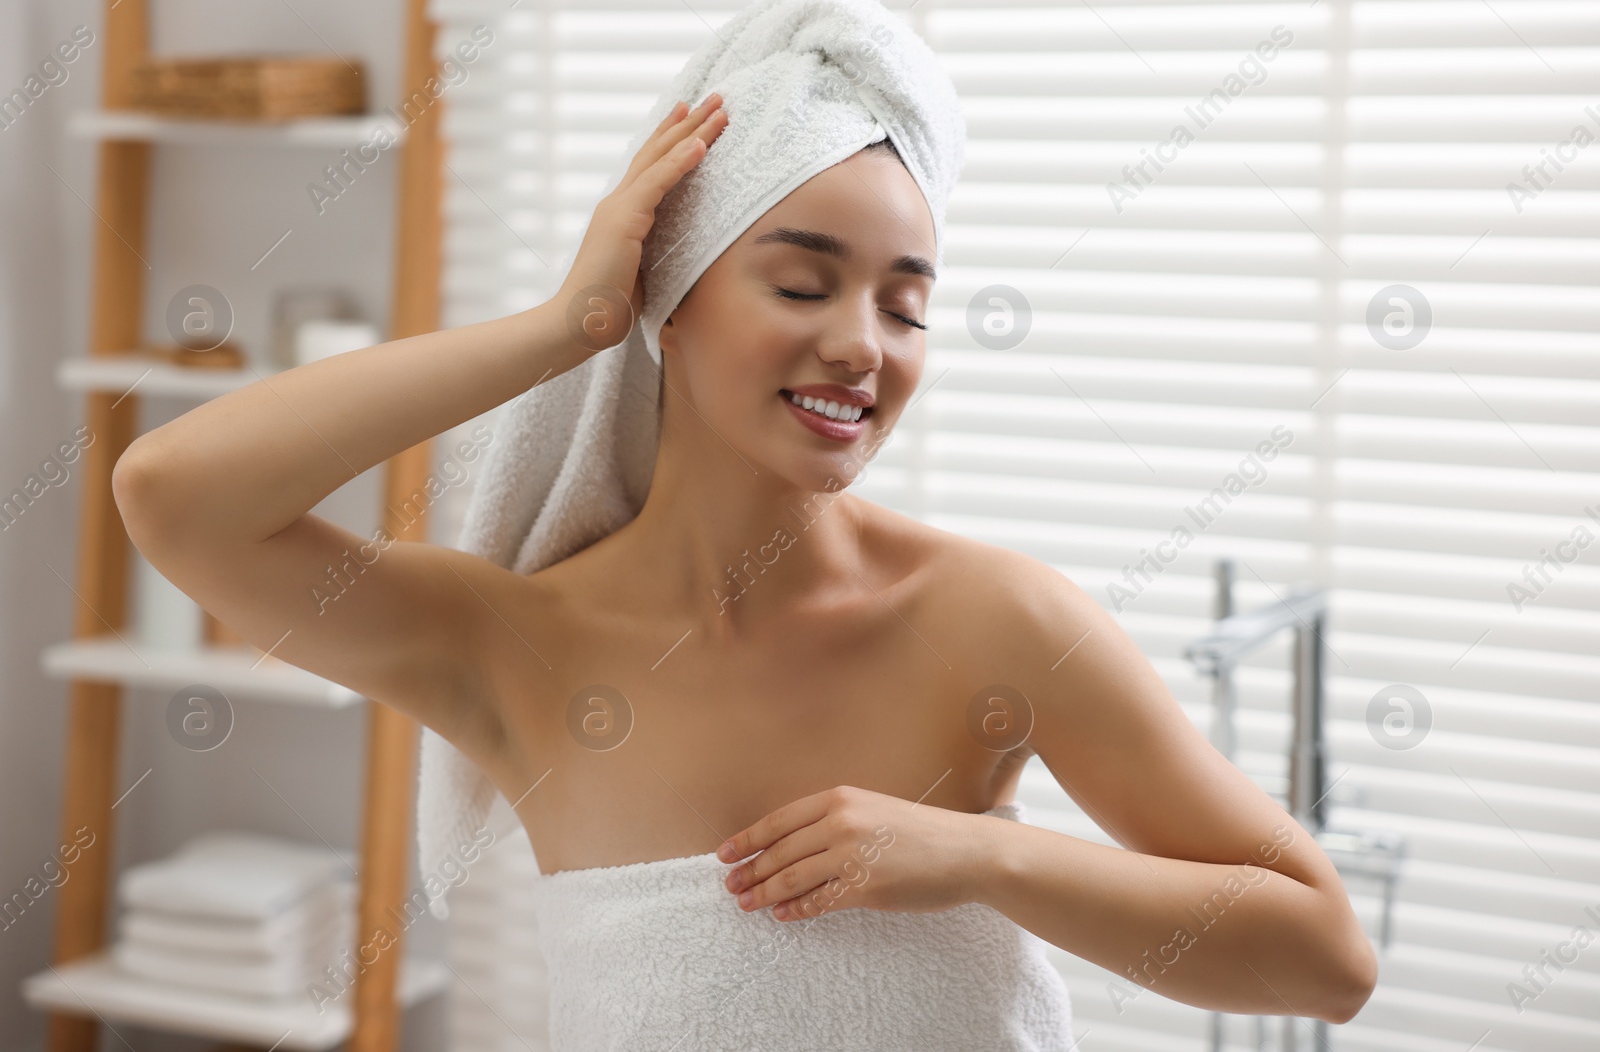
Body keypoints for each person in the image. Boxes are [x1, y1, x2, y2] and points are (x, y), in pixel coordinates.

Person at [114, 90, 1375, 1041]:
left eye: (904, 303)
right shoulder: (515, 647)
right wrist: (567, 326)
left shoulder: (993, 619)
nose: (860, 346)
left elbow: (1325, 957)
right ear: (670, 294)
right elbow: (174, 494)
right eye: (800, 281)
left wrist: (979, 855)